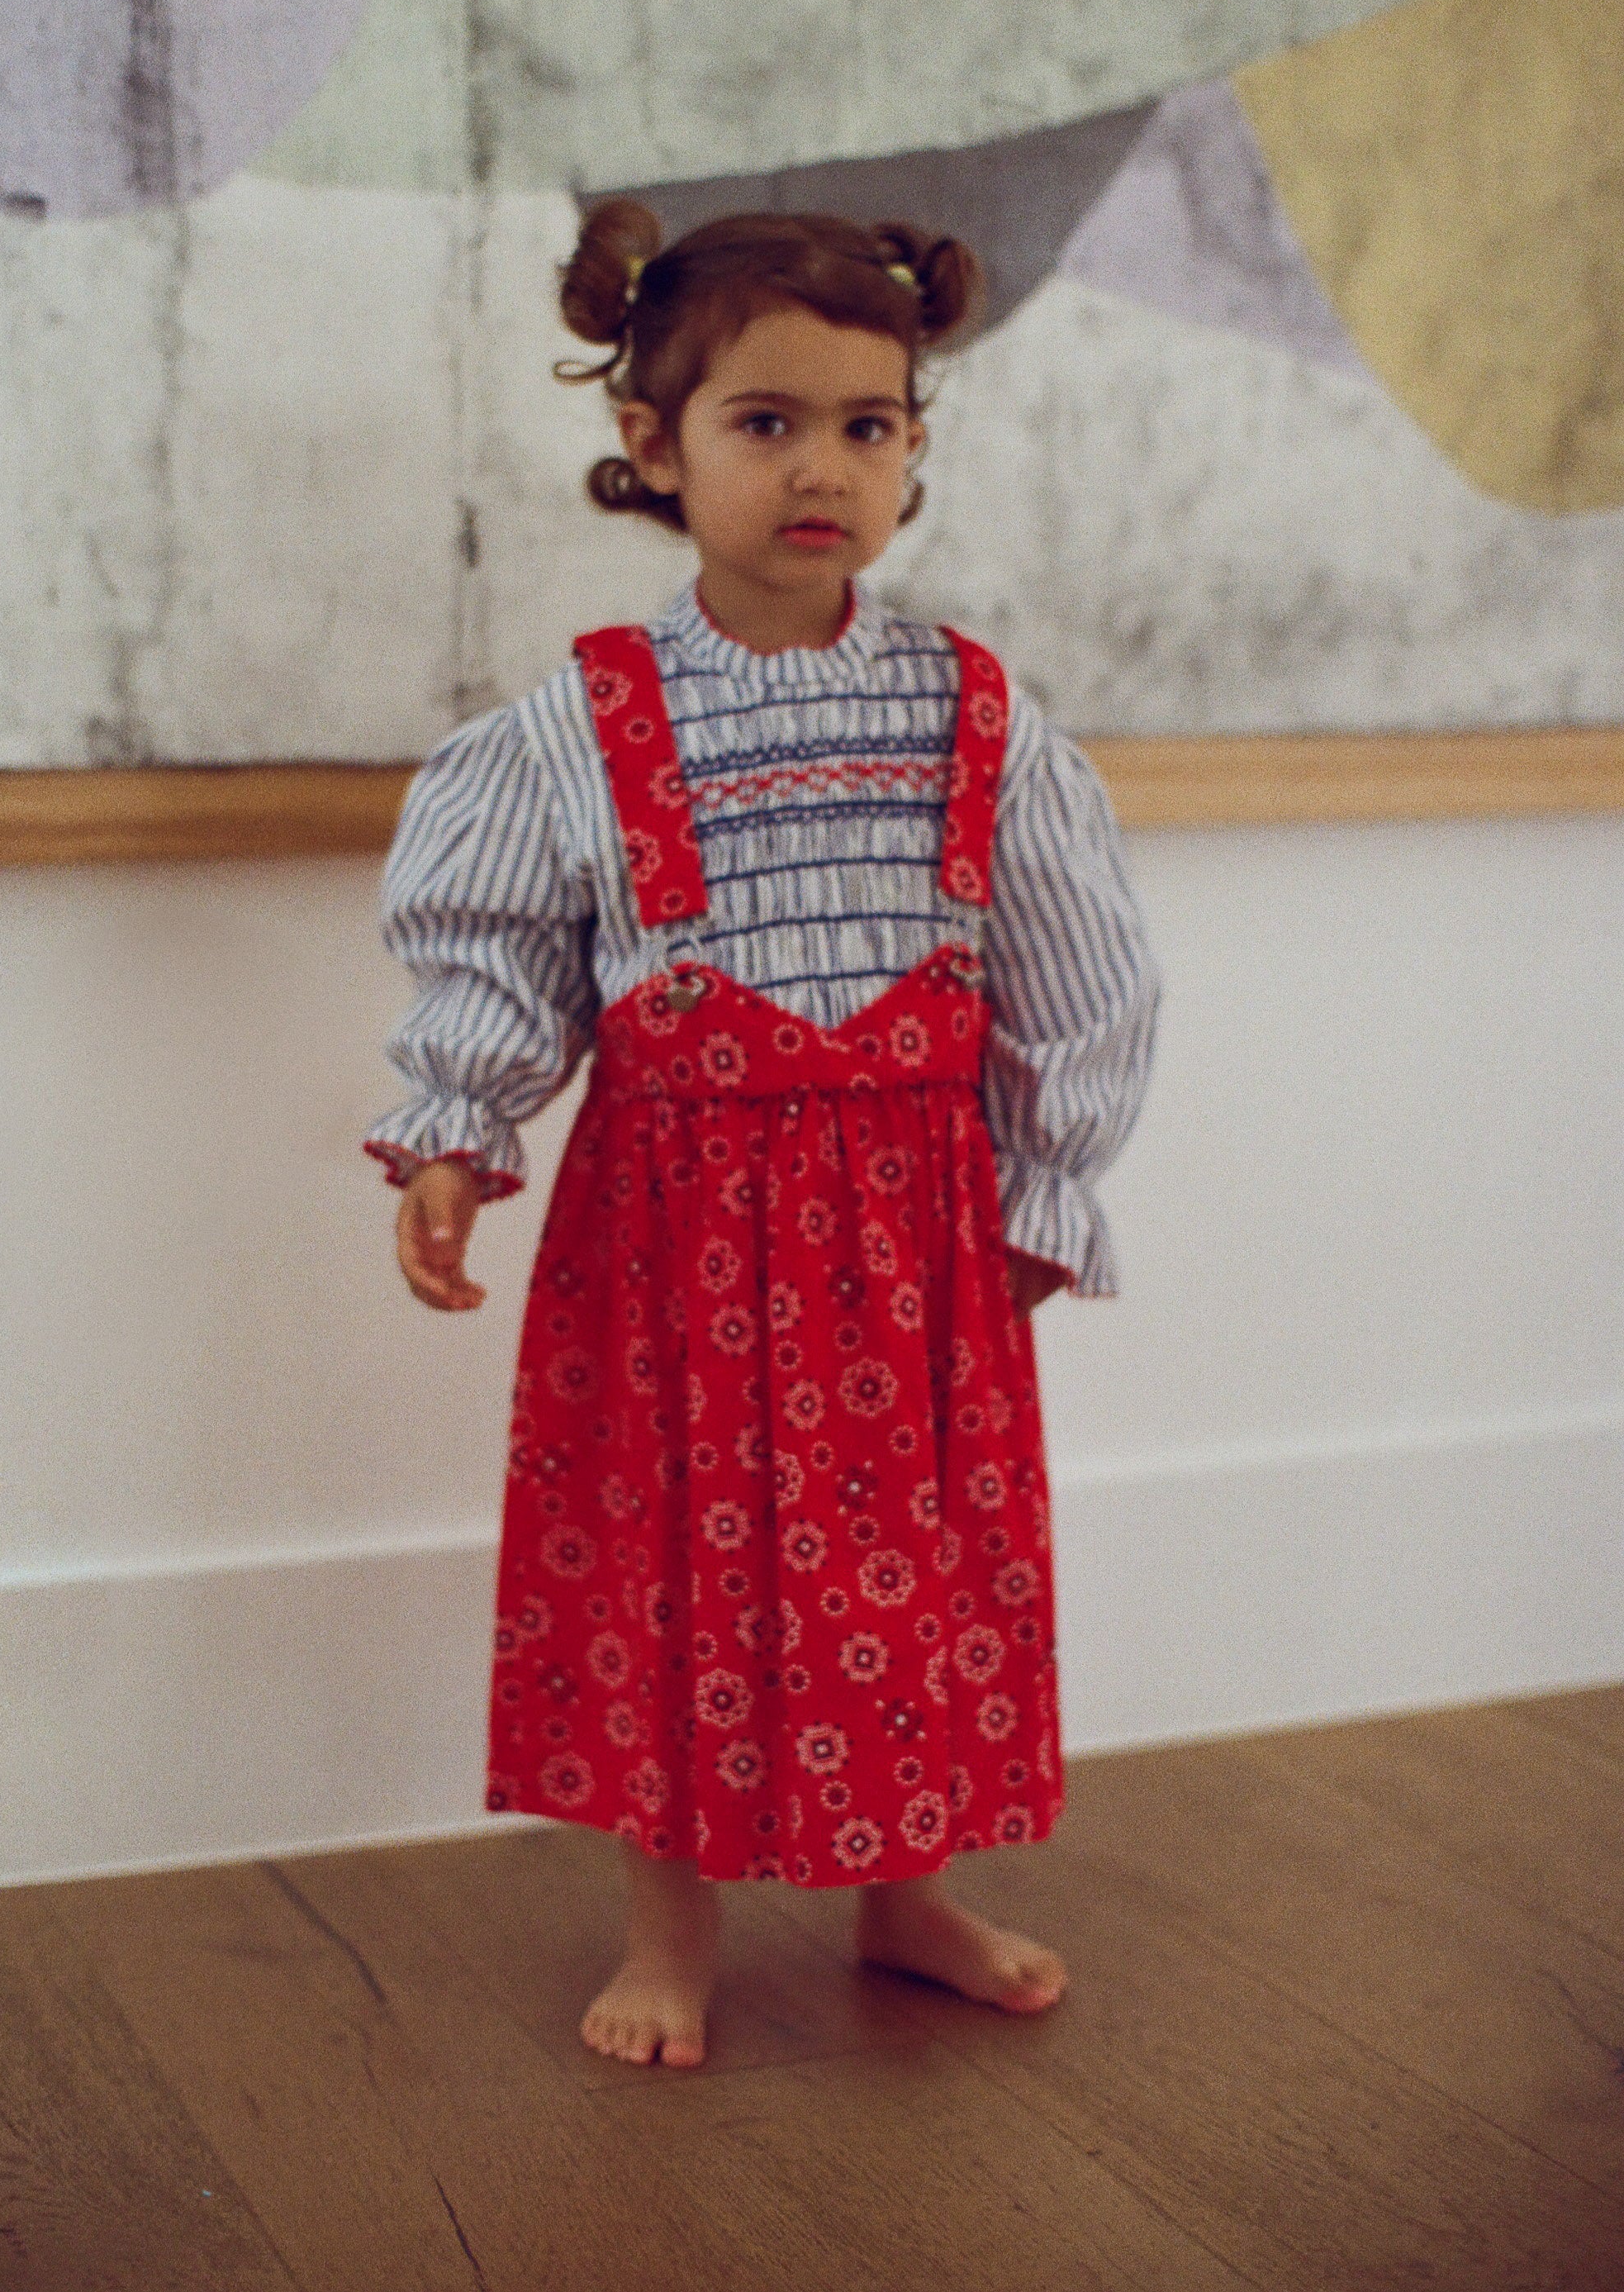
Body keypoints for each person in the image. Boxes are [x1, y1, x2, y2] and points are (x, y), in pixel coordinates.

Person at [367, 202, 1158, 2069]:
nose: (824, 465)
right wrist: (456, 1136)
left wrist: (1048, 1182)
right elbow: (498, 956)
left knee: (925, 1562)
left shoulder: (975, 710)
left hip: (914, 1234)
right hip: (676, 1242)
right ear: (655, 447)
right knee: (676, 1571)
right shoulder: (581, 724)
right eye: (765, 421)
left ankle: (907, 1896)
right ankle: (669, 1926)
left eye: (869, 426)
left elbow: (1079, 964)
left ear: (911, 450)